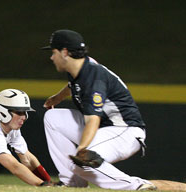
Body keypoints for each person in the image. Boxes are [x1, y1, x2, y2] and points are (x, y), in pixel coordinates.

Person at [40, 29, 157, 190]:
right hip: (104, 126)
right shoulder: (80, 66)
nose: (52, 57)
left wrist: (82, 148)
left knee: (83, 161)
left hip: (124, 131)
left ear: (65, 52)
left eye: (54, 52)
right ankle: (72, 183)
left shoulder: (94, 77)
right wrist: (58, 97)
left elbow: (92, 120)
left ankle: (136, 185)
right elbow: (72, 85)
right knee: (53, 118)